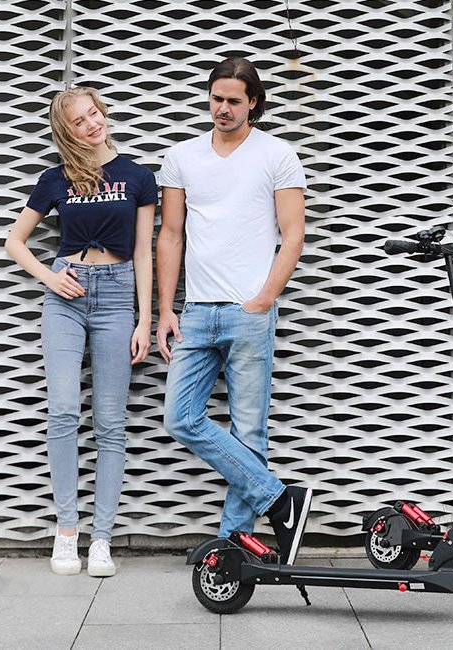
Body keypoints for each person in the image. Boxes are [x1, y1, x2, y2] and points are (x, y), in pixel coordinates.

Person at [155, 57, 312, 564]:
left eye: (234, 101)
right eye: (216, 98)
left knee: (249, 432)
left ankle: (233, 545)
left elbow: (293, 234)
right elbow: (170, 235)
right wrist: (166, 309)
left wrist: (264, 299)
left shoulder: (277, 154)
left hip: (249, 311)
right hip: (197, 311)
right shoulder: (182, 156)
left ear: (253, 103)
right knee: (180, 418)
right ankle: (280, 500)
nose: (223, 108)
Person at [5, 86, 156, 577]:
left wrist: (145, 318)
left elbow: (144, 252)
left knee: (110, 422)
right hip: (65, 296)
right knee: (64, 411)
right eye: (79, 121)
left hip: (116, 297)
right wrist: (49, 277)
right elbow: (15, 241)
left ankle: (102, 538)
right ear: (66, 131)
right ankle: (67, 530)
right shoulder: (56, 178)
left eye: (94, 114)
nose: (92, 124)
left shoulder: (138, 177)